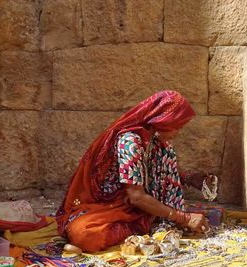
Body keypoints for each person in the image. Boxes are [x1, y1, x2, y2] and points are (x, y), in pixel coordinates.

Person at [56, 90, 211, 252]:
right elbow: (136, 197)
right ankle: (149, 222)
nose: (177, 133)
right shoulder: (130, 142)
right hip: (111, 204)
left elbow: (162, 169)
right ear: (163, 121)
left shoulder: (156, 141)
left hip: (139, 206)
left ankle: (153, 220)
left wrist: (188, 178)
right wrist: (183, 217)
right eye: (176, 127)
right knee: (84, 234)